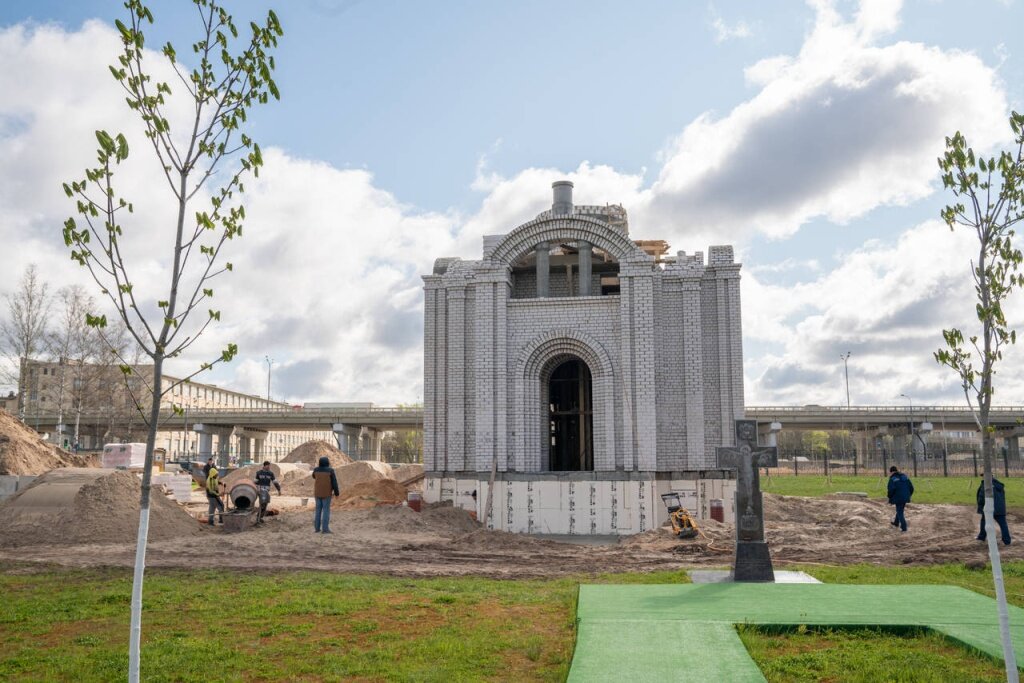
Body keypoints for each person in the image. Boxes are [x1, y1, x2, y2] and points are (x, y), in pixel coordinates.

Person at [977, 477, 1012, 545]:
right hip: (1000, 508)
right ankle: (1007, 540)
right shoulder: (998, 484)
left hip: (989, 508)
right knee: (1003, 524)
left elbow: (981, 498)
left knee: (984, 522)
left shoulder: (985, 484)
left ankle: (981, 537)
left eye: (983, 475)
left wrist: (981, 508)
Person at [311, 456, 340, 533]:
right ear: (327, 462)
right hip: (327, 494)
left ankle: (317, 529)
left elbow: (313, 476)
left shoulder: (316, 470)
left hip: (317, 493)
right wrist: (337, 493)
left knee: (318, 511)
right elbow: (334, 482)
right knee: (326, 511)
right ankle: (325, 529)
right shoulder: (330, 471)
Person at [254, 461, 282, 525]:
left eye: (269, 466)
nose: (269, 467)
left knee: (265, 504)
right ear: (264, 466)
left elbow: (275, 482)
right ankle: (258, 518)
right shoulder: (258, 473)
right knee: (263, 503)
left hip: (266, 491)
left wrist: (279, 489)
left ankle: (260, 517)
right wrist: (256, 489)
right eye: (268, 466)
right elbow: (255, 482)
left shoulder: (270, 474)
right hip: (260, 490)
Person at [887, 465, 914, 532]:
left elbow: (891, 490)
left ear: (891, 472)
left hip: (898, 498)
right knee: (900, 509)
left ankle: (904, 527)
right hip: (905, 497)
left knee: (900, 512)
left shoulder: (892, 479)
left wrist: (889, 497)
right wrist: (908, 495)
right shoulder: (905, 477)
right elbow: (911, 488)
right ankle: (896, 523)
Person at [206, 461, 225, 526]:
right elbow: (211, 491)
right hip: (213, 496)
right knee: (221, 506)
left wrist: (221, 483)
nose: (217, 475)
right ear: (213, 474)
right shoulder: (210, 481)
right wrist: (218, 494)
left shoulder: (213, 478)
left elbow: (216, 481)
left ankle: (210, 521)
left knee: (212, 507)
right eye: (216, 474)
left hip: (211, 496)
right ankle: (221, 520)